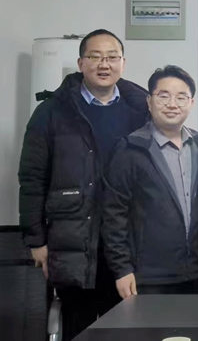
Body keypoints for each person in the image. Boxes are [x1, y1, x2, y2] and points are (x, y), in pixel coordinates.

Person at [18, 29, 149, 340]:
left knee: (127, 331)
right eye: (95, 56)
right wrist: (36, 240)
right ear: (80, 63)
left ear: (123, 63)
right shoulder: (51, 111)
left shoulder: (141, 109)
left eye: (112, 57)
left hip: (127, 243)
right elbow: (32, 177)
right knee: (79, 329)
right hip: (73, 243)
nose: (104, 64)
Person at [101, 65, 198, 298]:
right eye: (164, 96)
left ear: (191, 103)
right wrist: (122, 269)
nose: (172, 104)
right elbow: (113, 214)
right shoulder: (130, 149)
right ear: (149, 102)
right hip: (147, 276)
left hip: (192, 271)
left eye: (181, 97)